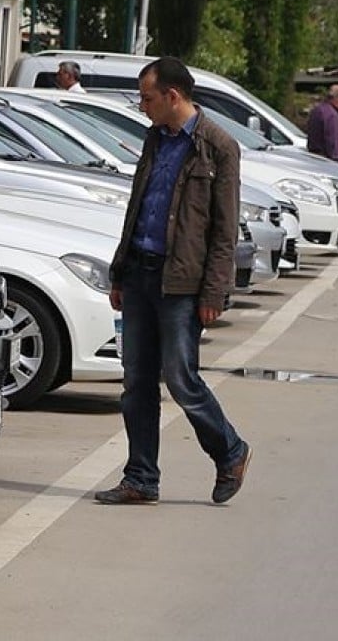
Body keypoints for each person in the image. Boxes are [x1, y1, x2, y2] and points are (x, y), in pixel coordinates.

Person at [95, 56, 251, 506]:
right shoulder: (155, 138)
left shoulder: (218, 146)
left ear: (173, 96)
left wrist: (214, 292)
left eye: (147, 97)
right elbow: (138, 207)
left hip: (181, 284)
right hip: (141, 273)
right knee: (136, 382)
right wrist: (120, 271)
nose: (141, 106)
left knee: (181, 379)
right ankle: (141, 478)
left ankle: (230, 451)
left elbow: (224, 229)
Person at [306, 84, 338, 161]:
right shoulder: (332, 115)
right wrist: (335, 157)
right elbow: (331, 142)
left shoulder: (318, 109)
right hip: (326, 160)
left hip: (314, 156)